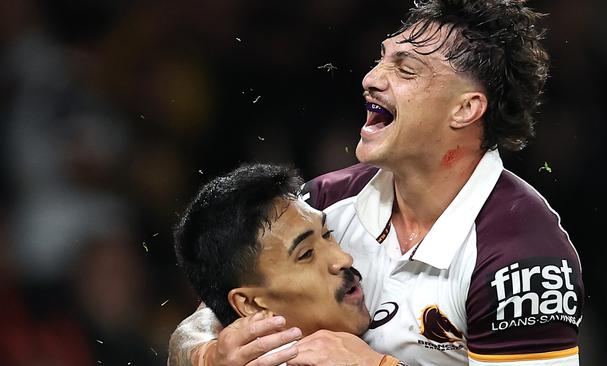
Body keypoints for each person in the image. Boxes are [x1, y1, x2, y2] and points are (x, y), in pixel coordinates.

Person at [168, 0, 584, 365]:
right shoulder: (323, 204)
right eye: (382, 59)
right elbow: (209, 316)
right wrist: (204, 353)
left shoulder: (523, 258)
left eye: (406, 70)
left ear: (465, 109)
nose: (371, 77)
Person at [170, 163, 373, 366]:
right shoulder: (339, 194)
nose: (344, 259)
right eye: (306, 254)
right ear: (252, 304)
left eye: (328, 234)